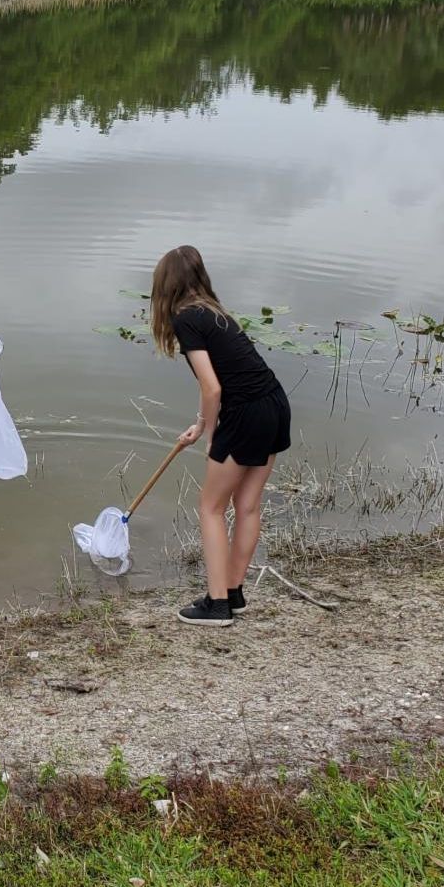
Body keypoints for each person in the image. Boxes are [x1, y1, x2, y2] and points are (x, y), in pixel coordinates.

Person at [150, 246, 291, 627]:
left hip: (245, 414)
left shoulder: (185, 319)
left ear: (164, 285)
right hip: (274, 404)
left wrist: (212, 435)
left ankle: (216, 605)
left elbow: (212, 388)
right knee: (247, 504)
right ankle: (233, 592)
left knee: (210, 507)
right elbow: (220, 384)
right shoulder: (214, 312)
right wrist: (200, 424)